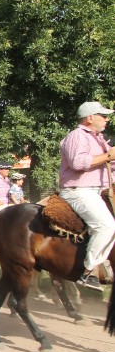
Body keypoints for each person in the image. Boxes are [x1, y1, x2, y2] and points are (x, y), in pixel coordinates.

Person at [59, 101, 115, 292]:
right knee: (107, 225)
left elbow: (109, 165)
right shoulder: (77, 136)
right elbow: (78, 162)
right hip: (78, 191)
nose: (107, 119)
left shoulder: (99, 139)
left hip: (97, 190)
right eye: (103, 115)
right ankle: (88, 271)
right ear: (90, 118)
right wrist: (108, 156)